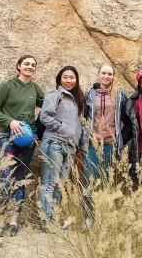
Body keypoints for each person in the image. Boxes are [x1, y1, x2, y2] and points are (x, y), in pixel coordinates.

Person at [0, 55, 44, 237]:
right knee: (6, 178)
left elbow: (48, 104)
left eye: (33, 65)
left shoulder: (35, 88)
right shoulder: (7, 86)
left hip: (27, 141)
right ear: (19, 66)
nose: (30, 67)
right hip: (7, 138)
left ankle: (13, 221)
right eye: (26, 64)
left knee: (21, 178)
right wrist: (10, 121)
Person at [39, 66, 87, 224]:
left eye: (72, 77)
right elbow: (44, 116)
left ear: (76, 80)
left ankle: (54, 219)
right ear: (60, 79)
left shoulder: (75, 99)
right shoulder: (55, 95)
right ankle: (46, 221)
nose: (68, 80)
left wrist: (78, 144)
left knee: (60, 185)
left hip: (70, 147)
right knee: (49, 183)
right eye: (65, 77)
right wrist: (62, 129)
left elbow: (77, 124)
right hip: (54, 143)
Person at [81, 64, 127, 224]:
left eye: (109, 74)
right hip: (93, 143)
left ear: (114, 76)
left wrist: (121, 140)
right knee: (90, 180)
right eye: (104, 73)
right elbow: (85, 116)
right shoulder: (90, 93)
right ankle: (88, 217)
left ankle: (102, 217)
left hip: (110, 143)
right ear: (99, 74)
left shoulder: (119, 94)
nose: (106, 76)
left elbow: (126, 119)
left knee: (107, 180)